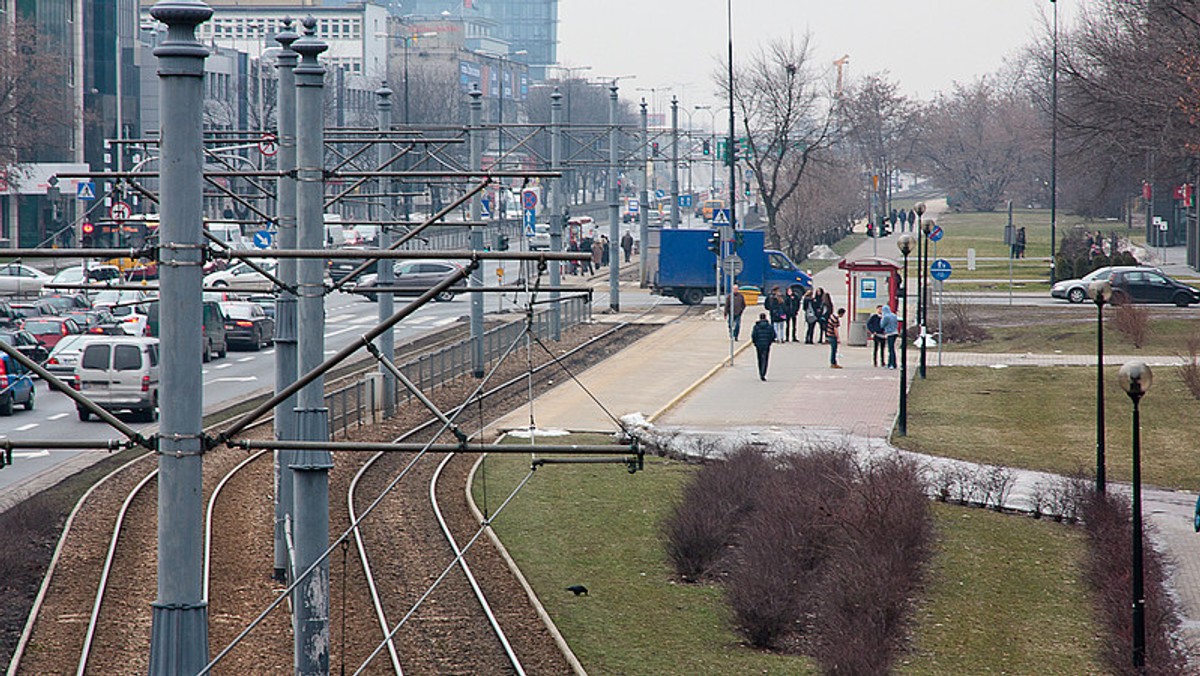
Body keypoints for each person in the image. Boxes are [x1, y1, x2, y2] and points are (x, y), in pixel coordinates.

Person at [750, 312, 776, 381]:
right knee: (765, 358)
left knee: (759, 359)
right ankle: (763, 372)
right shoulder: (770, 326)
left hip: (759, 345)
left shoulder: (756, 326)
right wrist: (770, 341)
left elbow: (753, 335)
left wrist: (755, 343)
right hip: (766, 345)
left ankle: (760, 372)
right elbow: (773, 335)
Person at [881, 303, 899, 369]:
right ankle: (893, 363)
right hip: (895, 332)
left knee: (890, 349)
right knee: (892, 348)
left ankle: (891, 363)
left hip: (889, 333)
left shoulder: (886, 317)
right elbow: (896, 324)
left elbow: (882, 325)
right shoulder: (894, 315)